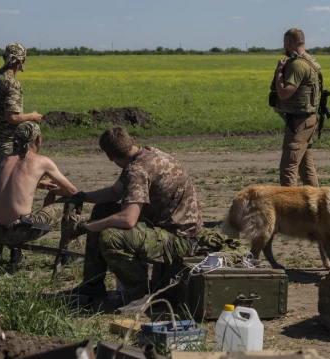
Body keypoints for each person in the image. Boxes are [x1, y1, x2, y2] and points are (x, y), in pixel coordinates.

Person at [61, 126, 218, 305]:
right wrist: (82, 196)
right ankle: (92, 285)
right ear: (132, 141)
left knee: (111, 237)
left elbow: (128, 219)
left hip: (180, 240)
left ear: (109, 157)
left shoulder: (136, 170)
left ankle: (140, 293)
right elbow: (114, 193)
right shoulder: (146, 155)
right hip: (172, 229)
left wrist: (85, 227)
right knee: (102, 210)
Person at [0, 42, 44, 257]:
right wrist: (33, 116)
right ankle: (10, 238)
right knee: (11, 187)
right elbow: (12, 118)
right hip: (8, 141)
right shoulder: (11, 83)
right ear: (22, 60)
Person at [0, 122, 78, 247]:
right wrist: (53, 191)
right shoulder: (42, 161)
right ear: (38, 138)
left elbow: (13, 185)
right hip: (19, 231)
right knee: (73, 200)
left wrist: (39, 183)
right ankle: (68, 250)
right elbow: (72, 191)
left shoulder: (5, 160)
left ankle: (16, 255)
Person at [271, 28, 321, 187]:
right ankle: (315, 206)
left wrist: (280, 72)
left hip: (299, 123)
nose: (284, 45)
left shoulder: (298, 65)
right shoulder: (309, 60)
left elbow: (285, 93)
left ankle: (288, 208)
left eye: (285, 42)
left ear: (291, 42)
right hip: (308, 120)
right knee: (306, 168)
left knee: (288, 167)